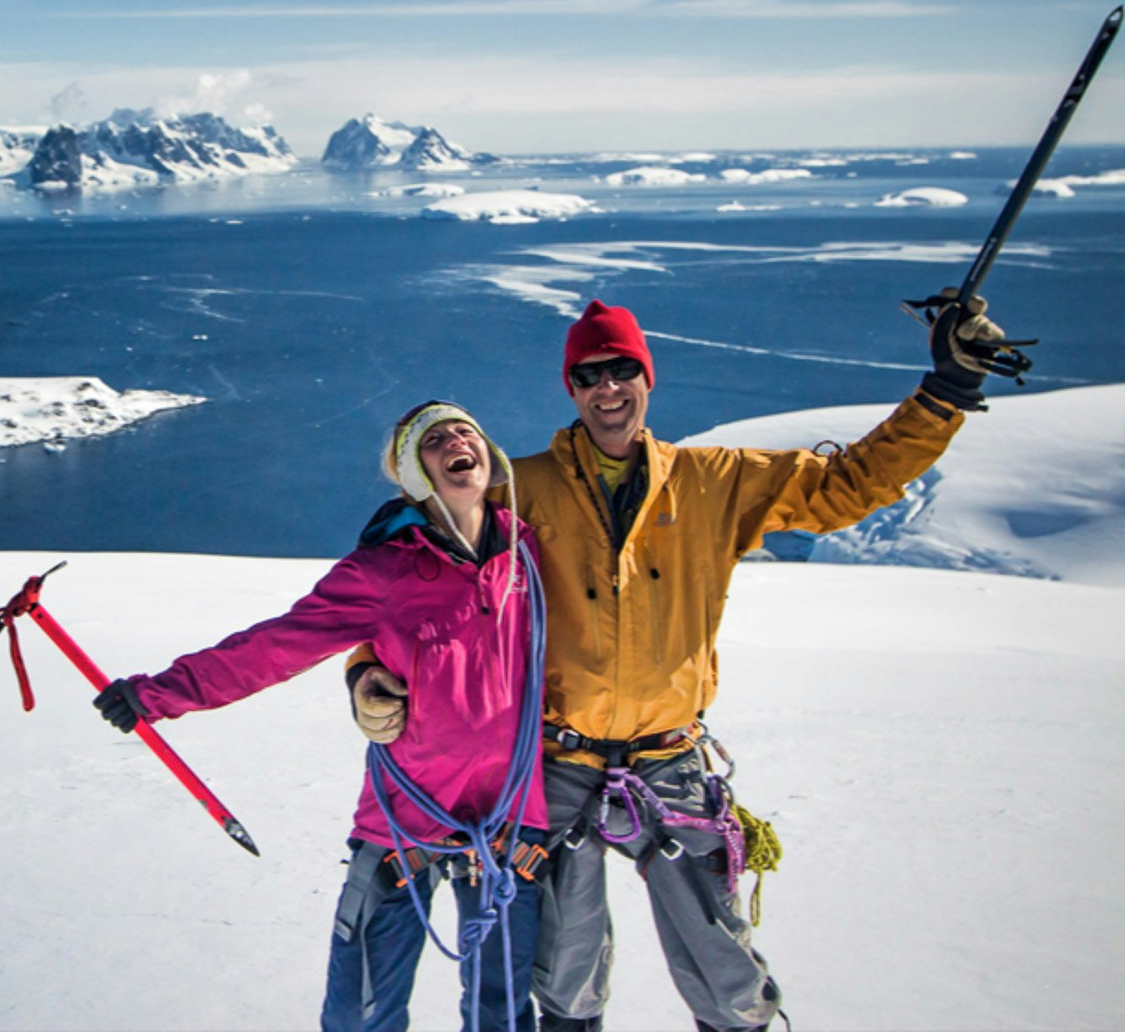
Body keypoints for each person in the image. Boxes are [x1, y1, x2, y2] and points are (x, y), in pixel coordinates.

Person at [346, 295, 1008, 1032]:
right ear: (571, 387)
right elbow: (419, 580)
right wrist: (368, 667)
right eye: (590, 373)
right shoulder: (520, 490)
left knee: (723, 969)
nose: (608, 387)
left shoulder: (713, 482)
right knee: (565, 970)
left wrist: (946, 391)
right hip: (558, 759)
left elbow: (845, 485)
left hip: (669, 756)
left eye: (622, 369)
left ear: (646, 377)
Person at [95, 401, 549, 1032]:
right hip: (404, 824)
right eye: (434, 441)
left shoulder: (532, 554)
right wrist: (161, 692)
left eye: (465, 431)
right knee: (357, 1015)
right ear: (417, 475)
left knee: (502, 1015)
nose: (454, 443)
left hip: (508, 825)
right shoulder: (385, 570)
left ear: (489, 453)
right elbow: (277, 645)